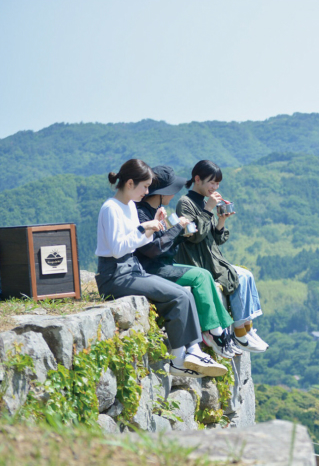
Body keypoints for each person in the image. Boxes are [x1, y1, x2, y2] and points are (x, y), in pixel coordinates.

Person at [94, 159, 229, 378]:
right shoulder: (111, 208)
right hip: (115, 274)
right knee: (179, 295)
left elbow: (138, 242)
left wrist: (153, 227)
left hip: (131, 268)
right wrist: (145, 228)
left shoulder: (127, 206)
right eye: (144, 186)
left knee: (183, 293)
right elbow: (118, 249)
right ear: (130, 183)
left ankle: (186, 354)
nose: (147, 191)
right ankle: (183, 357)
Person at [134, 165, 242, 359]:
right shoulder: (143, 213)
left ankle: (221, 330)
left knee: (204, 275)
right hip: (151, 269)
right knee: (200, 276)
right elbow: (153, 249)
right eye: (171, 191)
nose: (173, 195)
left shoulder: (154, 210)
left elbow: (168, 242)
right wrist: (177, 229)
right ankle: (214, 332)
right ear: (162, 193)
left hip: (163, 264)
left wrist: (180, 231)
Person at [175, 160, 268, 353]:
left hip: (212, 258)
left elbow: (215, 239)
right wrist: (209, 209)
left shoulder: (204, 201)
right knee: (239, 276)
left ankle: (247, 328)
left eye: (217, 184)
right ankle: (240, 333)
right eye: (212, 182)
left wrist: (221, 221)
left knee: (246, 274)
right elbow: (194, 236)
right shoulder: (185, 203)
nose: (215, 187)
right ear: (197, 179)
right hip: (198, 261)